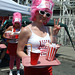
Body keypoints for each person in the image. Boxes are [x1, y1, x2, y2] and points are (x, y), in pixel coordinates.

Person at [17, 0, 61, 75]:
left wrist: (54, 34)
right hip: (32, 69)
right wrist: (30, 60)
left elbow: (52, 46)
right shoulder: (26, 30)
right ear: (35, 11)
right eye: (42, 12)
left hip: (47, 68)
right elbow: (19, 51)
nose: (44, 16)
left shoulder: (48, 29)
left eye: (47, 14)